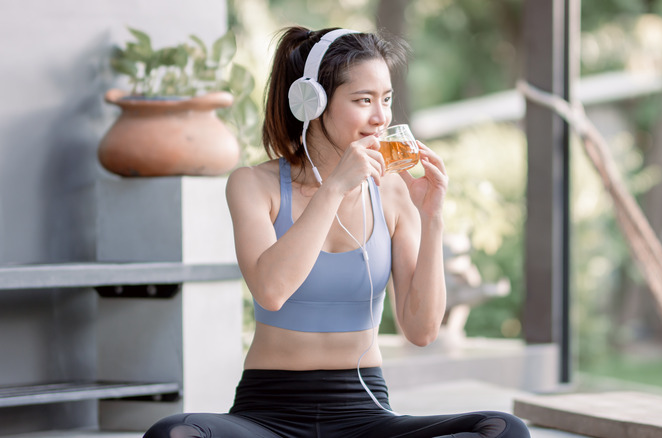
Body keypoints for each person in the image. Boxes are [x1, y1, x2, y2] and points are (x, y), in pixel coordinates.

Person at [144, 26, 531, 438]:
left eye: (386, 99)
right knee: (173, 434)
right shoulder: (253, 185)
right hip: (267, 414)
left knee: (503, 429)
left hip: (365, 412)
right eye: (363, 100)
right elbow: (272, 291)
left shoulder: (394, 194)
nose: (381, 117)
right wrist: (334, 187)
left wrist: (433, 215)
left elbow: (421, 331)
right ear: (312, 102)